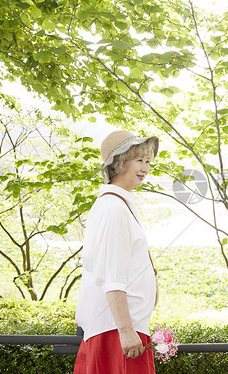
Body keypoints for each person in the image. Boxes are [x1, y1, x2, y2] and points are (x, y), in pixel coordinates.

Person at [74, 129, 159, 374]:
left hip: (123, 329)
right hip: (116, 332)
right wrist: (126, 331)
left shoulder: (119, 204)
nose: (145, 167)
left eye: (148, 161)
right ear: (120, 162)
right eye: (139, 160)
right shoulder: (113, 208)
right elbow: (112, 278)